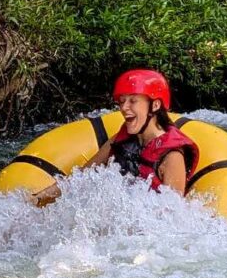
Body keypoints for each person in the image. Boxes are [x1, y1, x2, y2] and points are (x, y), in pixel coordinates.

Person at [31, 69, 199, 204]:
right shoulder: (121, 139)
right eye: (121, 101)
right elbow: (81, 176)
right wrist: (39, 197)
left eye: (133, 101)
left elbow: (172, 215)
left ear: (155, 105)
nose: (124, 107)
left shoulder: (171, 156)